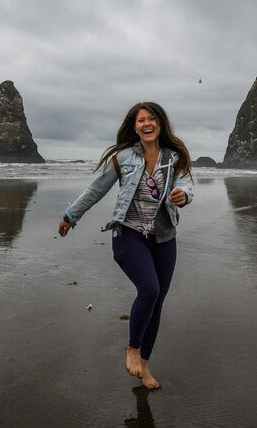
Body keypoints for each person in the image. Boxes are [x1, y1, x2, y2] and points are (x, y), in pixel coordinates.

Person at [58, 101, 193, 390]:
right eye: (140, 120)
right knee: (150, 289)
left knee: (156, 305)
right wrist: (71, 216)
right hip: (129, 235)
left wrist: (183, 194)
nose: (146, 123)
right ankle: (132, 348)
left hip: (164, 238)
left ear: (159, 124)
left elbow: (185, 183)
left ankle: (144, 365)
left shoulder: (173, 157)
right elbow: (96, 190)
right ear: (134, 127)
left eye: (151, 118)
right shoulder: (123, 158)